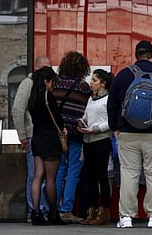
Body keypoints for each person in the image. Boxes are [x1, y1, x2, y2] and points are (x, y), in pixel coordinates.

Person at [107, 40, 152, 229]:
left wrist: (114, 126)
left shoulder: (124, 75)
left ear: (136, 55)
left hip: (127, 132)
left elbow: (112, 104)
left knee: (129, 173)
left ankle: (125, 217)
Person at [53, 51, 92, 223]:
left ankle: (53, 208)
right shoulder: (83, 87)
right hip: (76, 134)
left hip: (59, 133)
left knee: (59, 170)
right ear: (82, 68)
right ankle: (66, 210)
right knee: (73, 171)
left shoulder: (56, 84)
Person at [11, 55, 52, 220]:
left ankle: (42, 210)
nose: (48, 71)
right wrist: (22, 135)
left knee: (43, 176)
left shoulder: (46, 84)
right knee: (36, 175)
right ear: (37, 68)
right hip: (33, 136)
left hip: (45, 136)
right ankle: (35, 210)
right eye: (45, 68)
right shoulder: (28, 84)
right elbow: (17, 109)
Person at [28, 66, 68, 226]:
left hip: (37, 139)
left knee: (37, 177)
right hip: (50, 140)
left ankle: (36, 212)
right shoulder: (47, 96)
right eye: (52, 82)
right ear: (46, 81)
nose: (53, 85)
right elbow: (57, 118)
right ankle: (53, 213)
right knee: (51, 179)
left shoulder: (33, 97)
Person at [78, 68, 115, 226]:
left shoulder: (109, 100)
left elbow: (111, 121)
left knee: (102, 176)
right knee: (90, 176)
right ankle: (92, 210)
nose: (91, 83)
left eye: (94, 80)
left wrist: (96, 128)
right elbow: (87, 115)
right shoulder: (90, 99)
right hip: (88, 140)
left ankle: (104, 210)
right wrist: (82, 122)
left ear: (103, 83)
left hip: (101, 139)